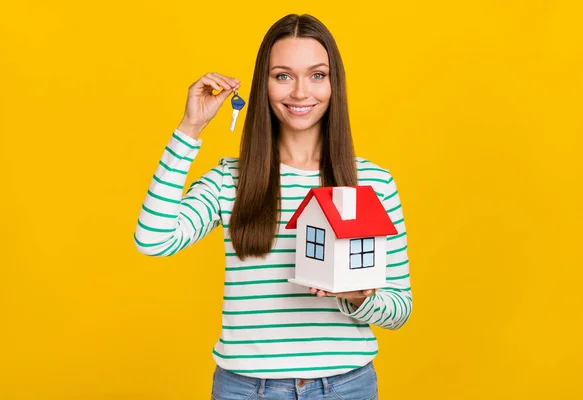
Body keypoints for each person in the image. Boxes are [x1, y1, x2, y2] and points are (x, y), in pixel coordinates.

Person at [134, 13, 412, 400]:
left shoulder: (373, 183)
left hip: (346, 386)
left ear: (335, 84)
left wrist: (358, 298)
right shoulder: (230, 180)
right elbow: (153, 239)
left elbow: (399, 308)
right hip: (247, 390)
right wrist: (189, 129)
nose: (300, 92)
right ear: (263, 85)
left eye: (317, 75)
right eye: (283, 76)